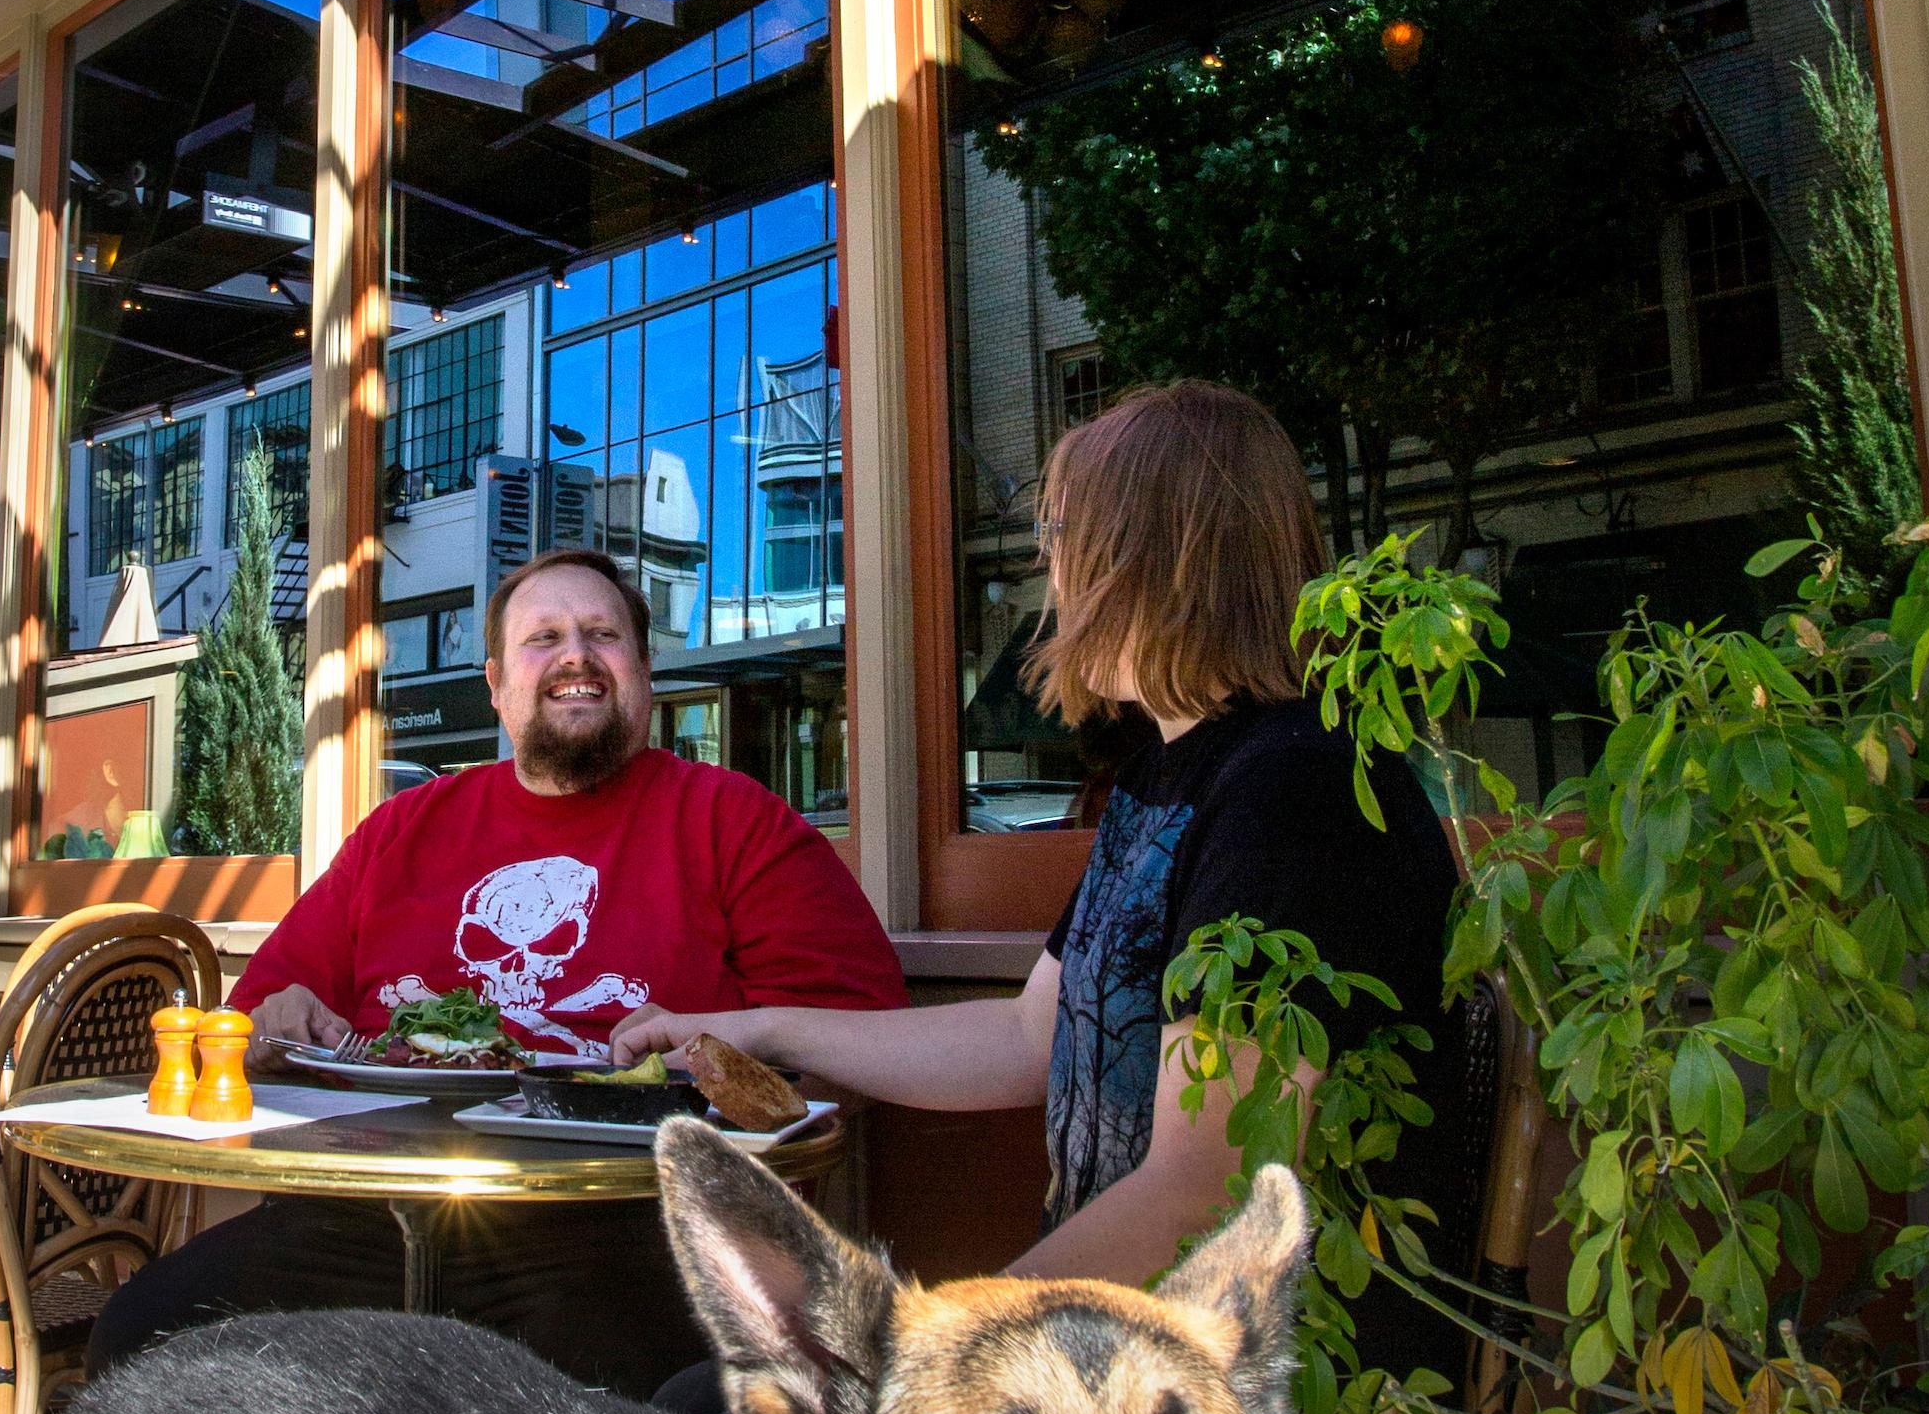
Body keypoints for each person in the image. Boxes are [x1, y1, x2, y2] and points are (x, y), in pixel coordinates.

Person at [613, 380, 1457, 1291]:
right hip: (1108, 1350)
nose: (1044, 573)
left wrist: (937, 1355)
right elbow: (1030, 1038)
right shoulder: (1161, 777)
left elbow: (1203, 1193)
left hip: (1237, 1390)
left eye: (1062, 539)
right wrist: (756, 1029)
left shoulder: (1295, 791)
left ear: (1158, 556)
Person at [84, 548, 905, 1390]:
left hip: (614, 1228)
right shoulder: (400, 832)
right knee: (145, 1342)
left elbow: (864, 1043)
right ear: (496, 686)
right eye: (542, 638)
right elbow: (254, 1025)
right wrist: (271, 1023)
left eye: (602, 635)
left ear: (645, 674)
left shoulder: (735, 824)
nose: (575, 656)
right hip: (360, 1214)